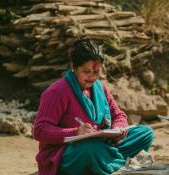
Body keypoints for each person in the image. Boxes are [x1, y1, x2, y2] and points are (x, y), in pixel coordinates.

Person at [33, 37, 154, 175]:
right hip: (68, 155)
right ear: (74, 67)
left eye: (96, 72)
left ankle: (107, 163)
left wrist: (118, 128)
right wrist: (76, 132)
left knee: (145, 133)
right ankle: (117, 164)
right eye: (87, 71)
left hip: (103, 145)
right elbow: (40, 130)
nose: (92, 77)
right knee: (90, 150)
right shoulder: (56, 92)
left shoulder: (100, 88)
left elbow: (118, 115)